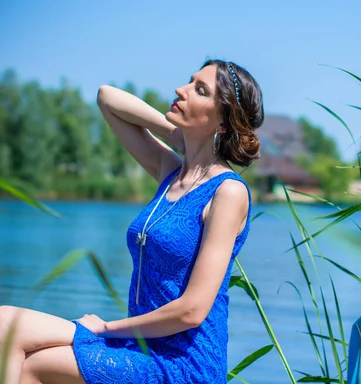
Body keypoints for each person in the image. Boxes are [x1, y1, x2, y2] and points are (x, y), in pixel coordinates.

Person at [0, 59, 263, 383]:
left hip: (184, 364)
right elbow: (107, 98)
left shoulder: (228, 192)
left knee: (31, 362)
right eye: (189, 81)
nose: (181, 90)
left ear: (222, 121)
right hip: (141, 346)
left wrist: (106, 328)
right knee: (5, 328)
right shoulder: (171, 173)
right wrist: (176, 133)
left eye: (200, 90)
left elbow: (192, 310)